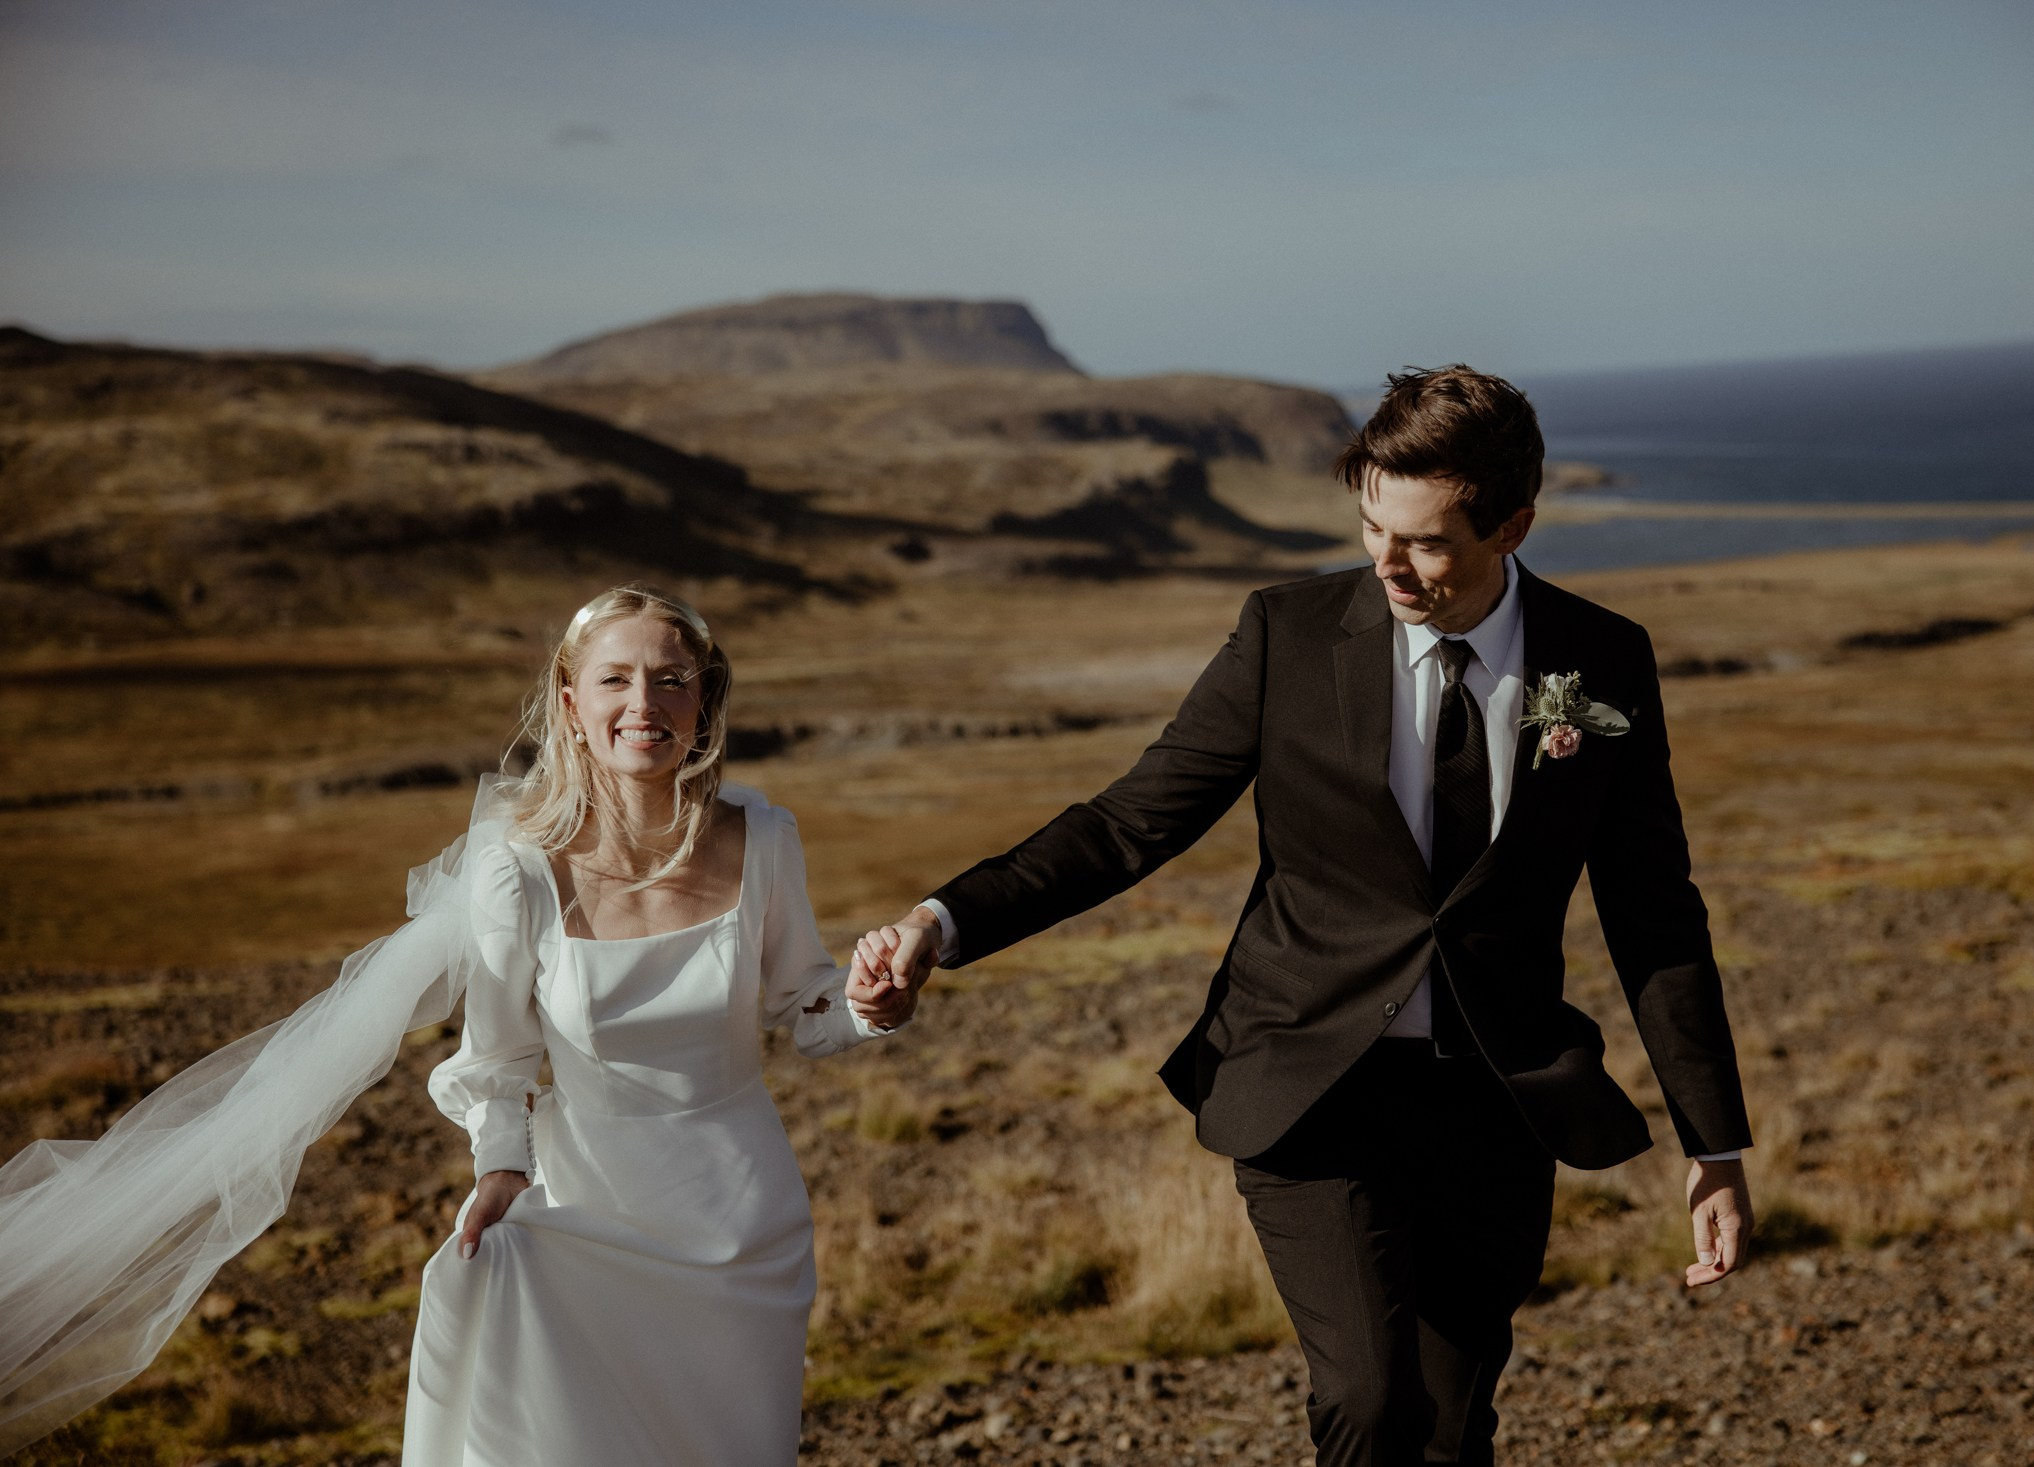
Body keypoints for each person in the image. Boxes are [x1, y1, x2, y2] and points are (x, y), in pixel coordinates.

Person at [854, 367, 1755, 1467]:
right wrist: (940, 924)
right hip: (1311, 1084)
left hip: (1496, 1100)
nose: (1386, 561)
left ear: (1512, 526)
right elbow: (1129, 823)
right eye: (1371, 524)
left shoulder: (1601, 657)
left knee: (1450, 1424)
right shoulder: (1287, 634)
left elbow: (1653, 911)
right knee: (1372, 1405)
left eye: (1424, 541)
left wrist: (1714, 1144)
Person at [0, 583, 914, 1464]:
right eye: (616, 679)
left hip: (743, 1220)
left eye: (672, 678)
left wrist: (870, 1004)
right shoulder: (519, 872)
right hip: (582, 1211)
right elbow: (502, 1053)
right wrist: (500, 1167)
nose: (646, 702)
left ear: (705, 697)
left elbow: (808, 1007)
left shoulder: (766, 839)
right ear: (569, 701)